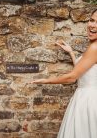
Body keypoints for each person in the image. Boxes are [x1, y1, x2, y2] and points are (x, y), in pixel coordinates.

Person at [31, 9, 97, 138]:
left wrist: (46, 80)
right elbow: (85, 71)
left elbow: (72, 77)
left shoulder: (95, 47)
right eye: (92, 20)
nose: (92, 25)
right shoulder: (93, 46)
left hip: (88, 100)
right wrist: (72, 52)